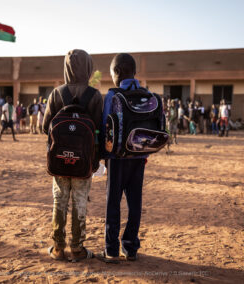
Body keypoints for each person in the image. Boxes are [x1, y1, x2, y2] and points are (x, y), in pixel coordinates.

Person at [42, 49, 103, 262]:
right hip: (85, 161)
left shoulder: (56, 93)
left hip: (59, 160)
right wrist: (98, 160)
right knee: (79, 200)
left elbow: (44, 127)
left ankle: (58, 247)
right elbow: (99, 131)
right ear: (88, 67)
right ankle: (77, 248)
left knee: (59, 199)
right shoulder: (95, 96)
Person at [97, 53, 149, 263]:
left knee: (113, 203)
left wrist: (103, 156)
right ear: (134, 73)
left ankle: (111, 249)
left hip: (117, 158)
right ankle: (131, 247)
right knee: (135, 203)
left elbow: (104, 126)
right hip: (139, 157)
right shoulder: (146, 94)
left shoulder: (112, 95)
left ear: (116, 73)